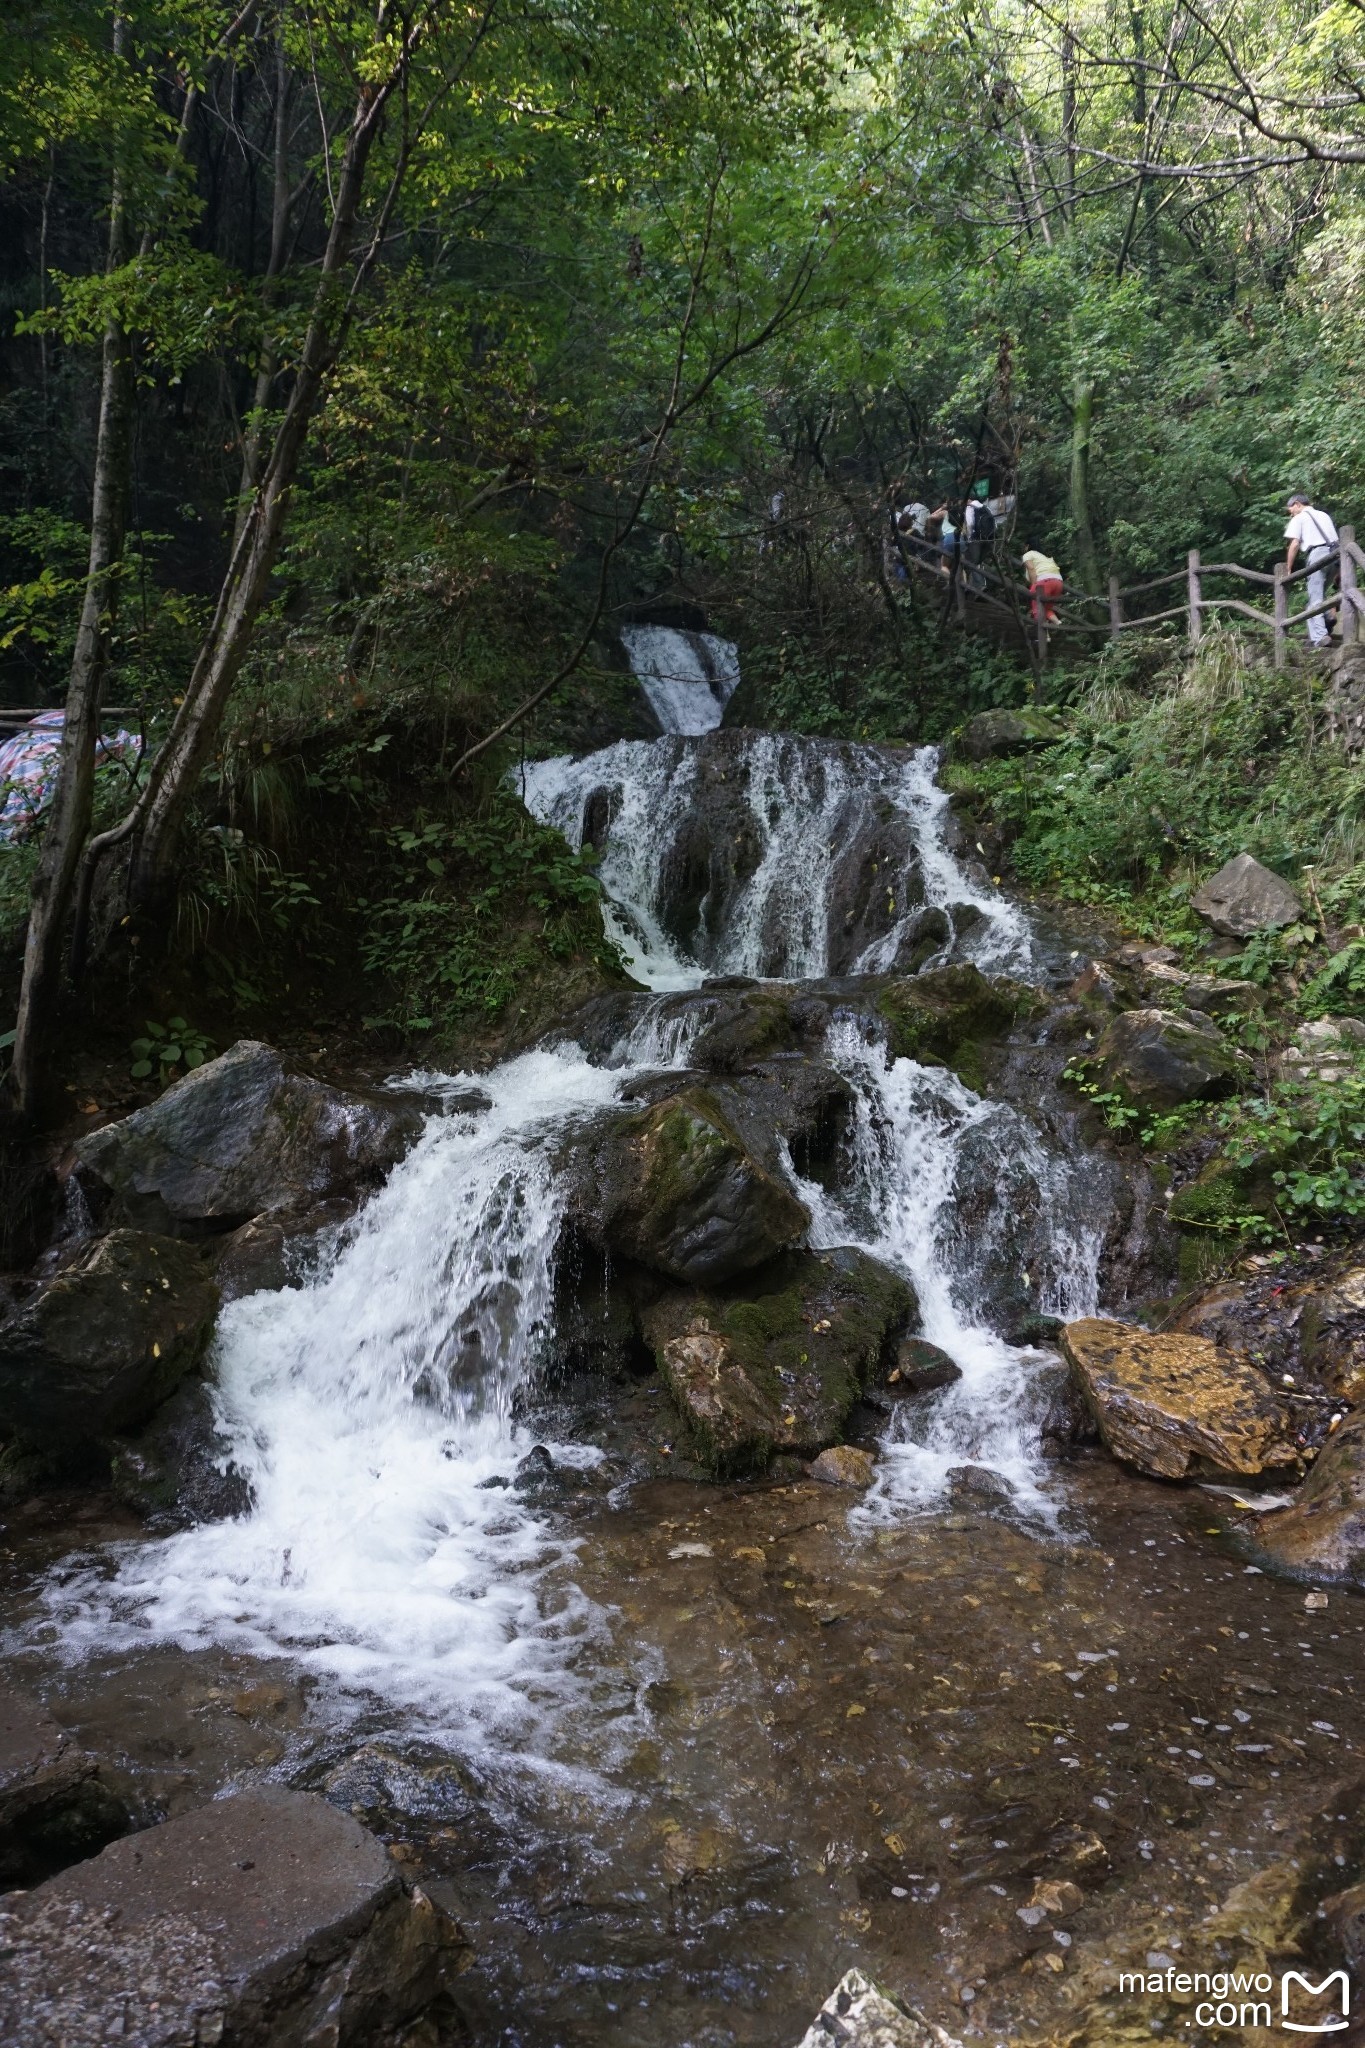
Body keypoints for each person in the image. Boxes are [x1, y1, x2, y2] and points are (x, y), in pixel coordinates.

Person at [1284, 491, 1339, 648]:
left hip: (1317, 556)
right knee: (1317, 597)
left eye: (1291, 510)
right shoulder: (1324, 515)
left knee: (1314, 599)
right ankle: (1326, 617)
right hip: (1335, 556)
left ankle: (1321, 636)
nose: (1291, 514)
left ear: (1297, 504)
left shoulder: (1299, 518)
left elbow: (1295, 544)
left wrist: (1288, 568)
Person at [1021, 546, 1063, 624]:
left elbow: (1031, 569)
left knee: (1037, 610)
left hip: (1043, 583)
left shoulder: (1028, 554)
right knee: (1047, 609)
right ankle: (1058, 623)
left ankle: (1045, 635)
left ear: (1027, 546)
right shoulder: (1045, 557)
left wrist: (1034, 585)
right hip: (1058, 583)